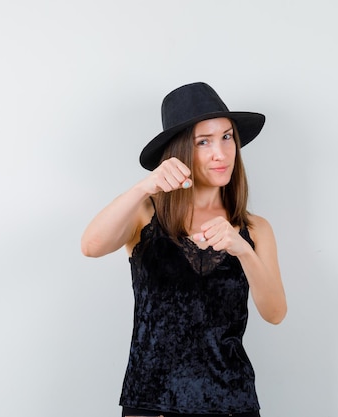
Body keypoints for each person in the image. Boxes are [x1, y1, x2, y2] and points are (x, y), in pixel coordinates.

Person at [81, 82, 287, 417]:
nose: (220, 153)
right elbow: (90, 246)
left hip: (231, 404)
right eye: (203, 142)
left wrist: (244, 251)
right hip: (151, 404)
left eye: (226, 137)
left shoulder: (255, 229)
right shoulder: (145, 215)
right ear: (180, 152)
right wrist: (144, 186)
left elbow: (275, 313)